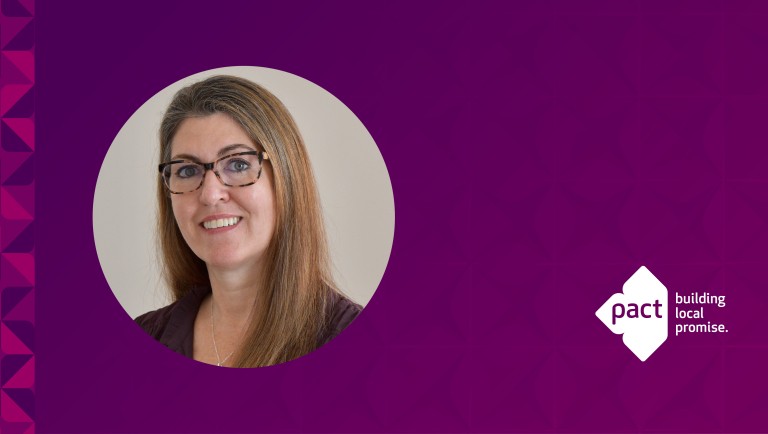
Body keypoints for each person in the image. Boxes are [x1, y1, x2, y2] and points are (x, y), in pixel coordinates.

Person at [135, 75, 361, 368]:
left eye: (238, 164)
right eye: (188, 171)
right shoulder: (147, 334)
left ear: (286, 179)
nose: (210, 194)